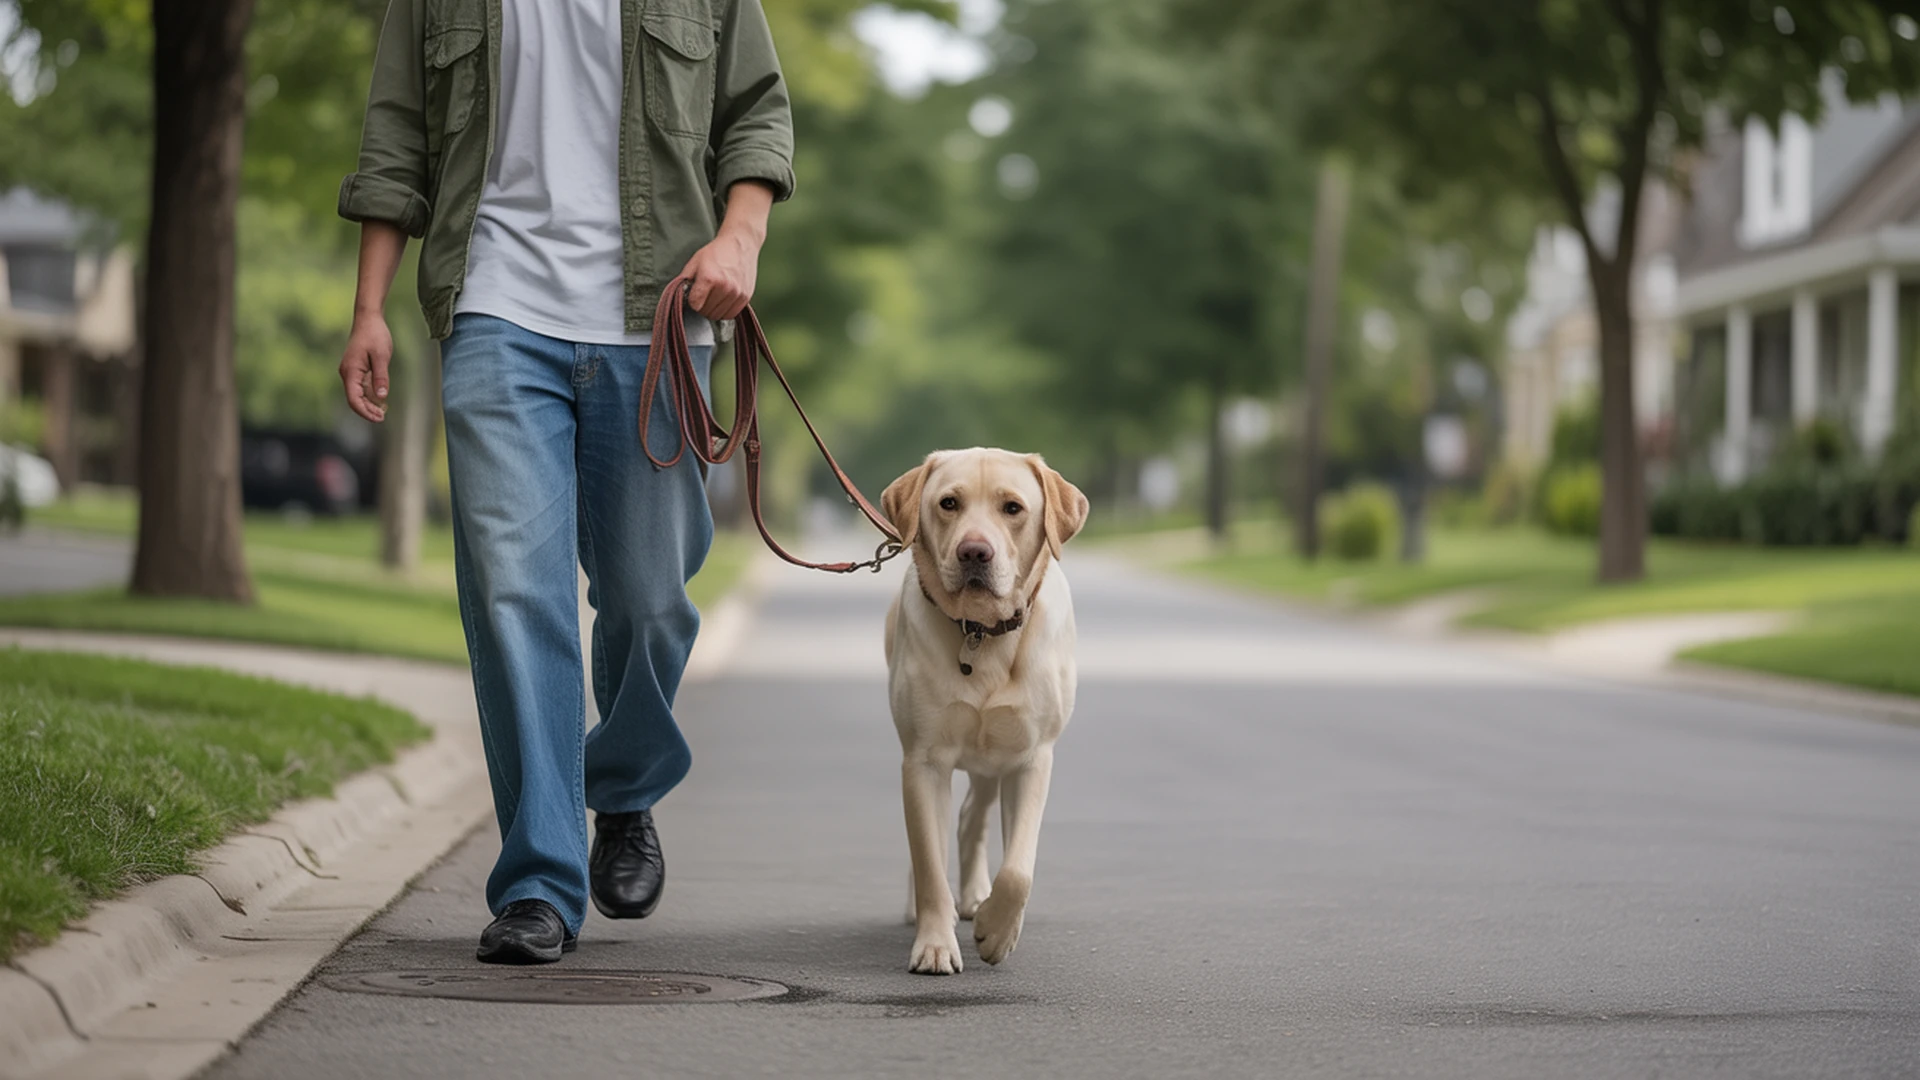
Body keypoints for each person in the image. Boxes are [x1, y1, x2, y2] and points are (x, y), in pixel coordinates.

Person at [337, 0, 793, 964]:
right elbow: (397, 133)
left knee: (648, 597)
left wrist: (740, 240)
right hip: (497, 308)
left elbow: (754, 111)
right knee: (514, 590)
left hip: (655, 315)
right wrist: (368, 306)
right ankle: (541, 881)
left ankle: (622, 788)